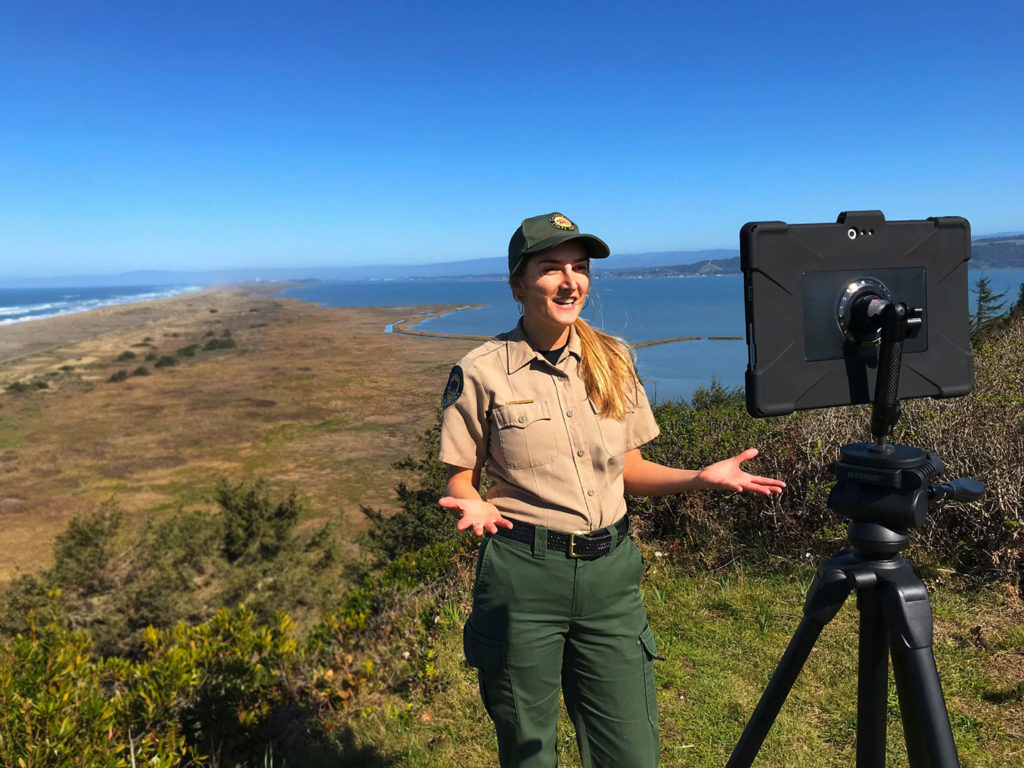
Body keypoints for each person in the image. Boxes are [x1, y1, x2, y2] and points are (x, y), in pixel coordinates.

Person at [438, 212, 785, 768]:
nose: (570, 280)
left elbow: (631, 470)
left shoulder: (613, 359)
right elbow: (461, 474)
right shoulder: (481, 371)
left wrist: (699, 477)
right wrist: (471, 499)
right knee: (529, 751)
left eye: (579, 268)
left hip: (611, 576)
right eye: (551, 268)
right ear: (518, 282)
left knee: (631, 752)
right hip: (522, 576)